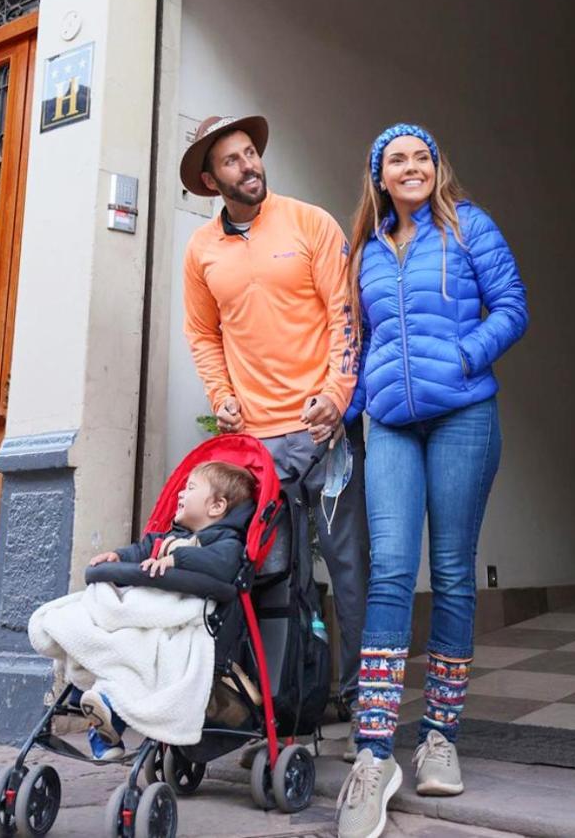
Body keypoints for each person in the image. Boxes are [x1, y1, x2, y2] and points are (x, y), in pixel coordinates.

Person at [336, 123, 529, 838]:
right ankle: (373, 750)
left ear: (436, 167)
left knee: (450, 571)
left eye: (422, 156)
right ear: (379, 176)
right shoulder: (365, 250)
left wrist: (464, 358)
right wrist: (347, 408)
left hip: (463, 416)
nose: (412, 166)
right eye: (398, 159)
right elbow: (359, 340)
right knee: (390, 570)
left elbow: (512, 307)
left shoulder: (468, 226)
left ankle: (440, 736)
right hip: (389, 422)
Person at [180, 114, 368, 740]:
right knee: (267, 572)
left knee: (347, 566)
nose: (249, 165)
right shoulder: (201, 251)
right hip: (258, 447)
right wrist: (222, 396)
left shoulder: (311, 223)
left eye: (251, 153)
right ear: (212, 180)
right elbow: (202, 334)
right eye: (232, 160)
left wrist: (337, 395)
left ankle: (362, 702)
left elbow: (346, 315)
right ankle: (277, 704)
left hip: (325, 435)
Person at [30, 461, 255, 761]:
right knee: (100, 621)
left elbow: (224, 565)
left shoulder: (225, 542)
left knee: (142, 650)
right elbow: (141, 550)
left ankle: (105, 706)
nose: (180, 494)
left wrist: (177, 560)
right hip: (143, 615)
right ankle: (97, 696)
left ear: (217, 506)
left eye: (190, 488)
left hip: (179, 621)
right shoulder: (167, 538)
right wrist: (118, 556)